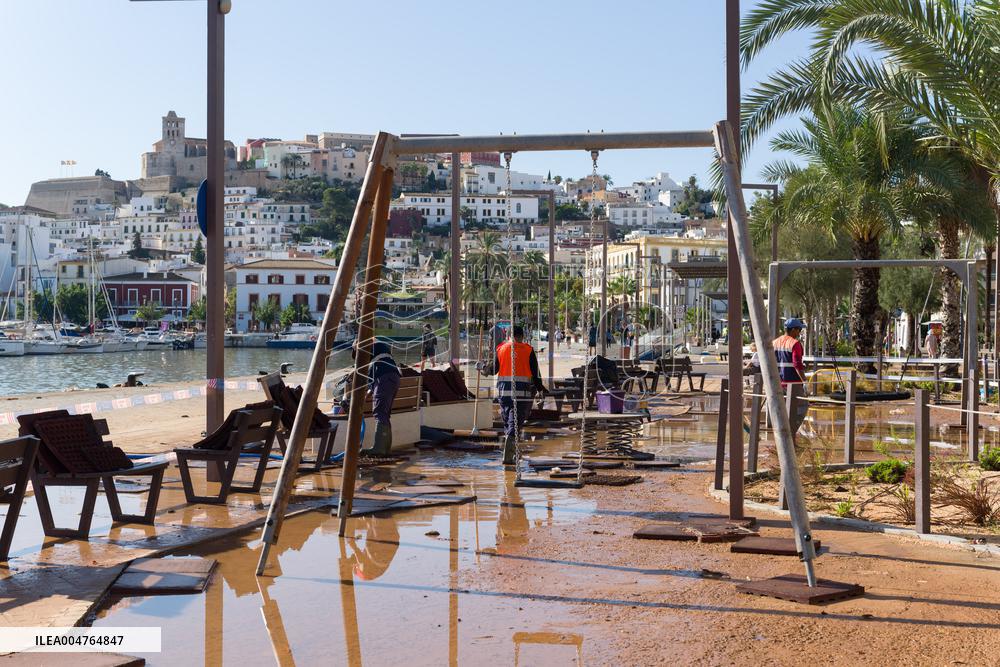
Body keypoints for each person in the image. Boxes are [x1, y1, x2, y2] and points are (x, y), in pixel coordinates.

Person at [489, 325, 546, 465]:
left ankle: (512, 450)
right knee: (515, 423)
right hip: (522, 394)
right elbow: (536, 374)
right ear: (522, 336)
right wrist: (540, 390)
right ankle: (509, 452)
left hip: (504, 394)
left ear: (508, 336)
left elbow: (492, 369)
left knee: (508, 422)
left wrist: (482, 368)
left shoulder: (501, 349)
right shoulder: (528, 350)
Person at [361, 340, 401, 457]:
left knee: (379, 412)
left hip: (384, 379)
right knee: (384, 413)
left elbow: (374, 378)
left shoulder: (367, 349)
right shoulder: (381, 348)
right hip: (393, 377)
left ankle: (379, 448)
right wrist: (367, 395)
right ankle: (385, 448)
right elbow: (373, 383)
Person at [773, 317, 809, 438]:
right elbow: (797, 364)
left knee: (780, 409)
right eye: (799, 330)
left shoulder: (775, 342)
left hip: (778, 383)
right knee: (801, 406)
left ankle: (781, 435)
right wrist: (804, 381)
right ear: (793, 329)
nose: (799, 333)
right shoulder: (794, 343)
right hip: (793, 384)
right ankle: (790, 433)